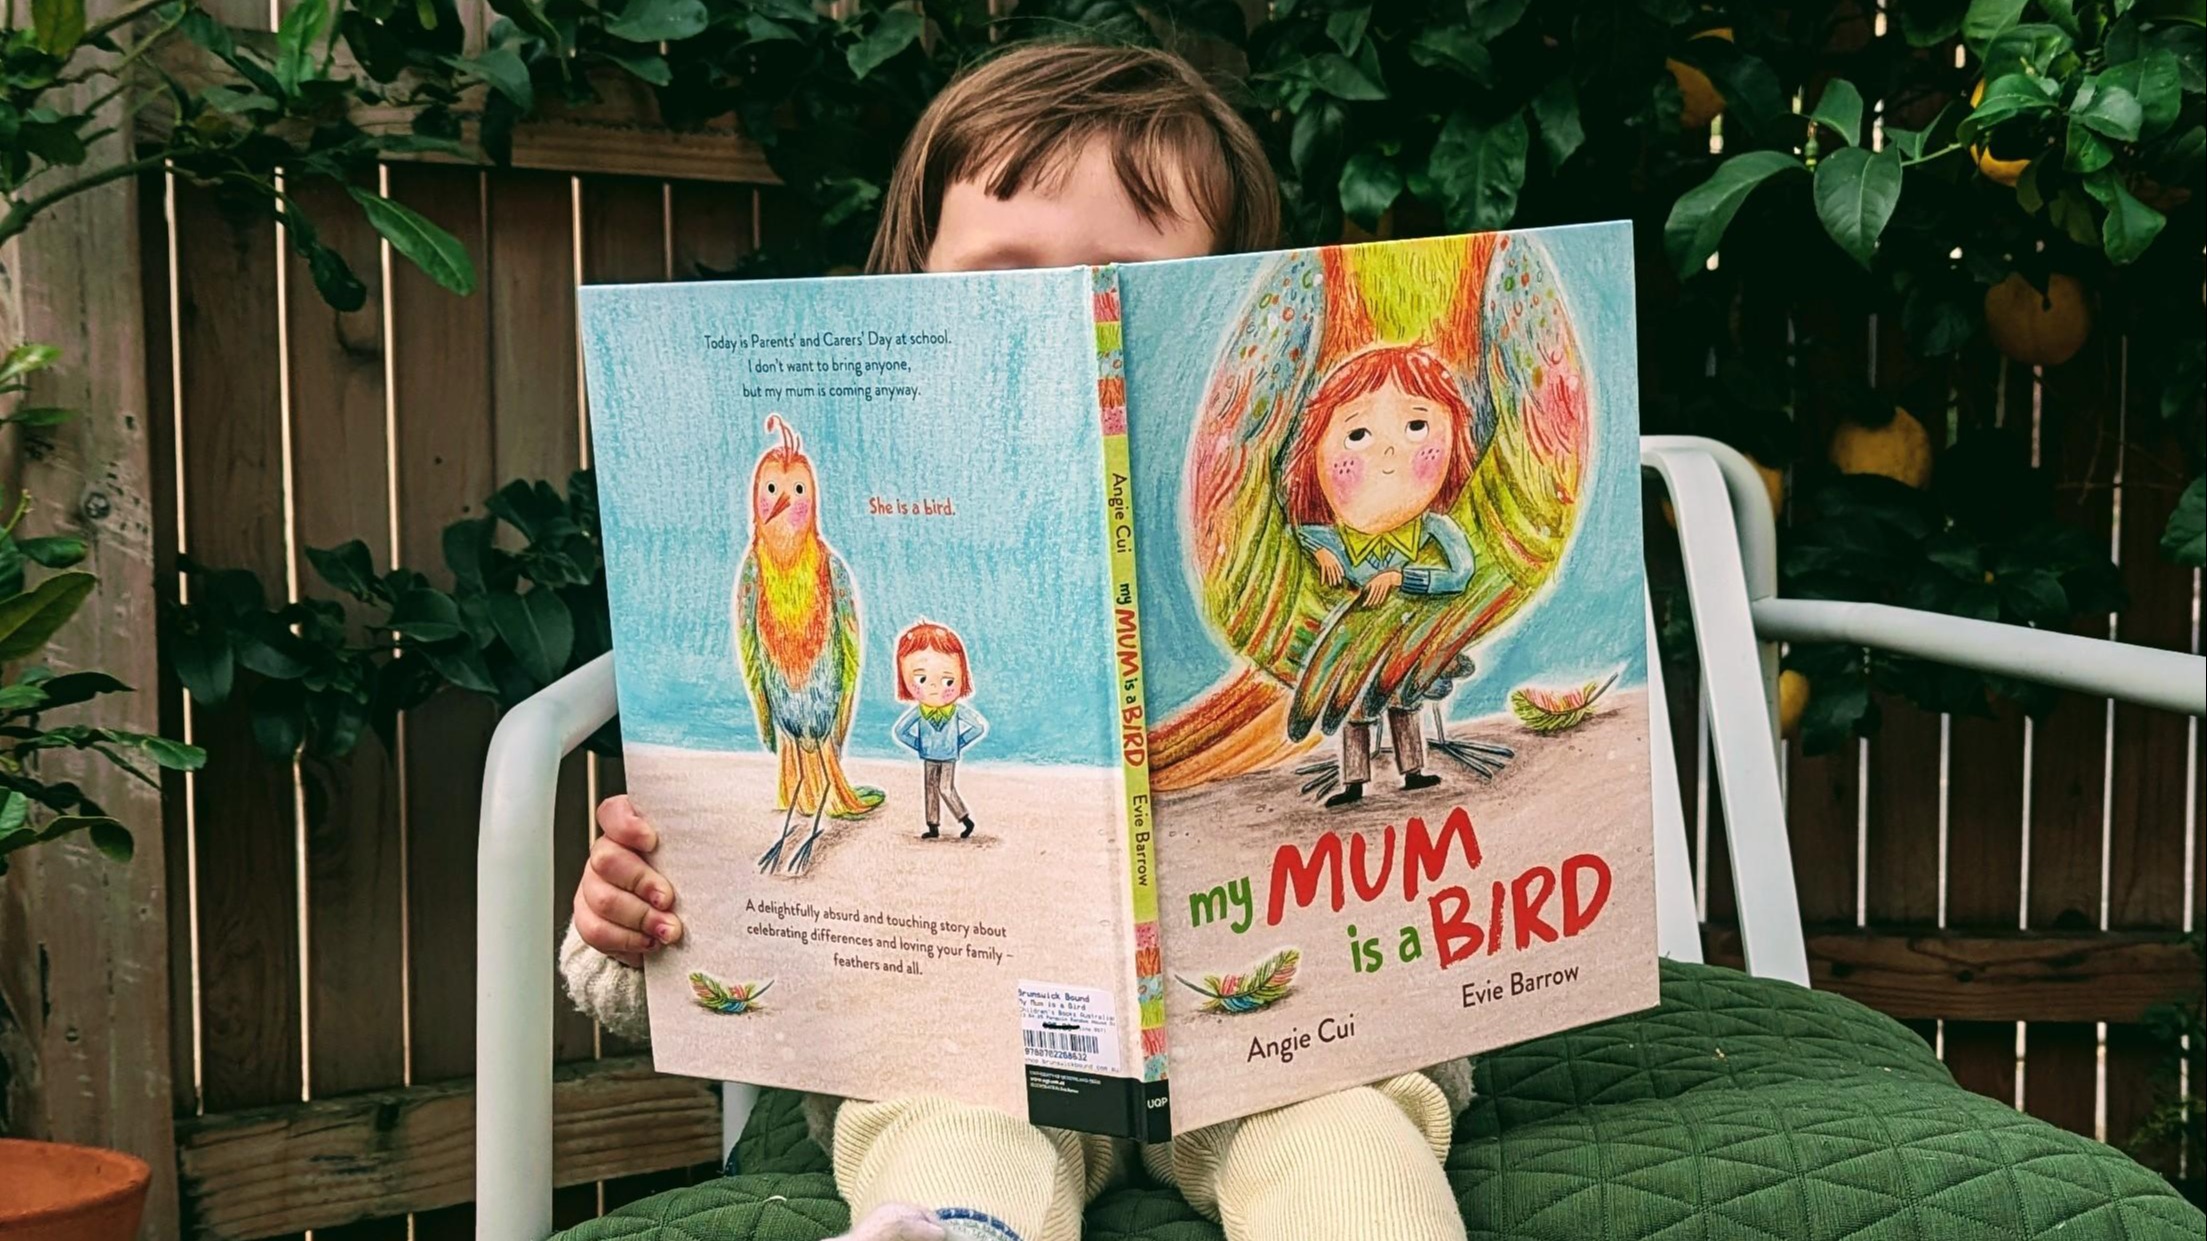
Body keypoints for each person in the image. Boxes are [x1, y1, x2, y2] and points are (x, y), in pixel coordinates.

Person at [561, 41, 1473, 1241]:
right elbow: (710, 920)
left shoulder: (1296, 522)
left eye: (1120, 281)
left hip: (1291, 1025)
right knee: (955, 1130)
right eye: (1002, 277)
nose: (1059, 318)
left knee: (1348, 1141)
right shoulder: (851, 547)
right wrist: (631, 923)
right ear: (905, 297)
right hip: (963, 1027)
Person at [1279, 344, 1480, 807]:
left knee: (1404, 701)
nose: (1389, 454)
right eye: (1358, 435)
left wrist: (1402, 578)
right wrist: (1321, 552)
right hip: (1356, 644)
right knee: (1355, 707)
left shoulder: (1435, 527)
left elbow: (1462, 573)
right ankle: (1354, 780)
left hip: (1409, 638)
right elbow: (1297, 530)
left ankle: (1413, 770)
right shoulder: (1334, 536)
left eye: (1416, 426)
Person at [890, 620, 986, 839]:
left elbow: (978, 727)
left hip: (948, 755)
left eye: (947, 680)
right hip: (929, 755)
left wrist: (959, 742)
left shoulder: (955, 710)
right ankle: (933, 826)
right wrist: (919, 745)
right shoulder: (920, 711)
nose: (933, 686)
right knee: (930, 789)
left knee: (944, 788)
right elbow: (900, 731)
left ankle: (965, 819)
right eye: (921, 678)